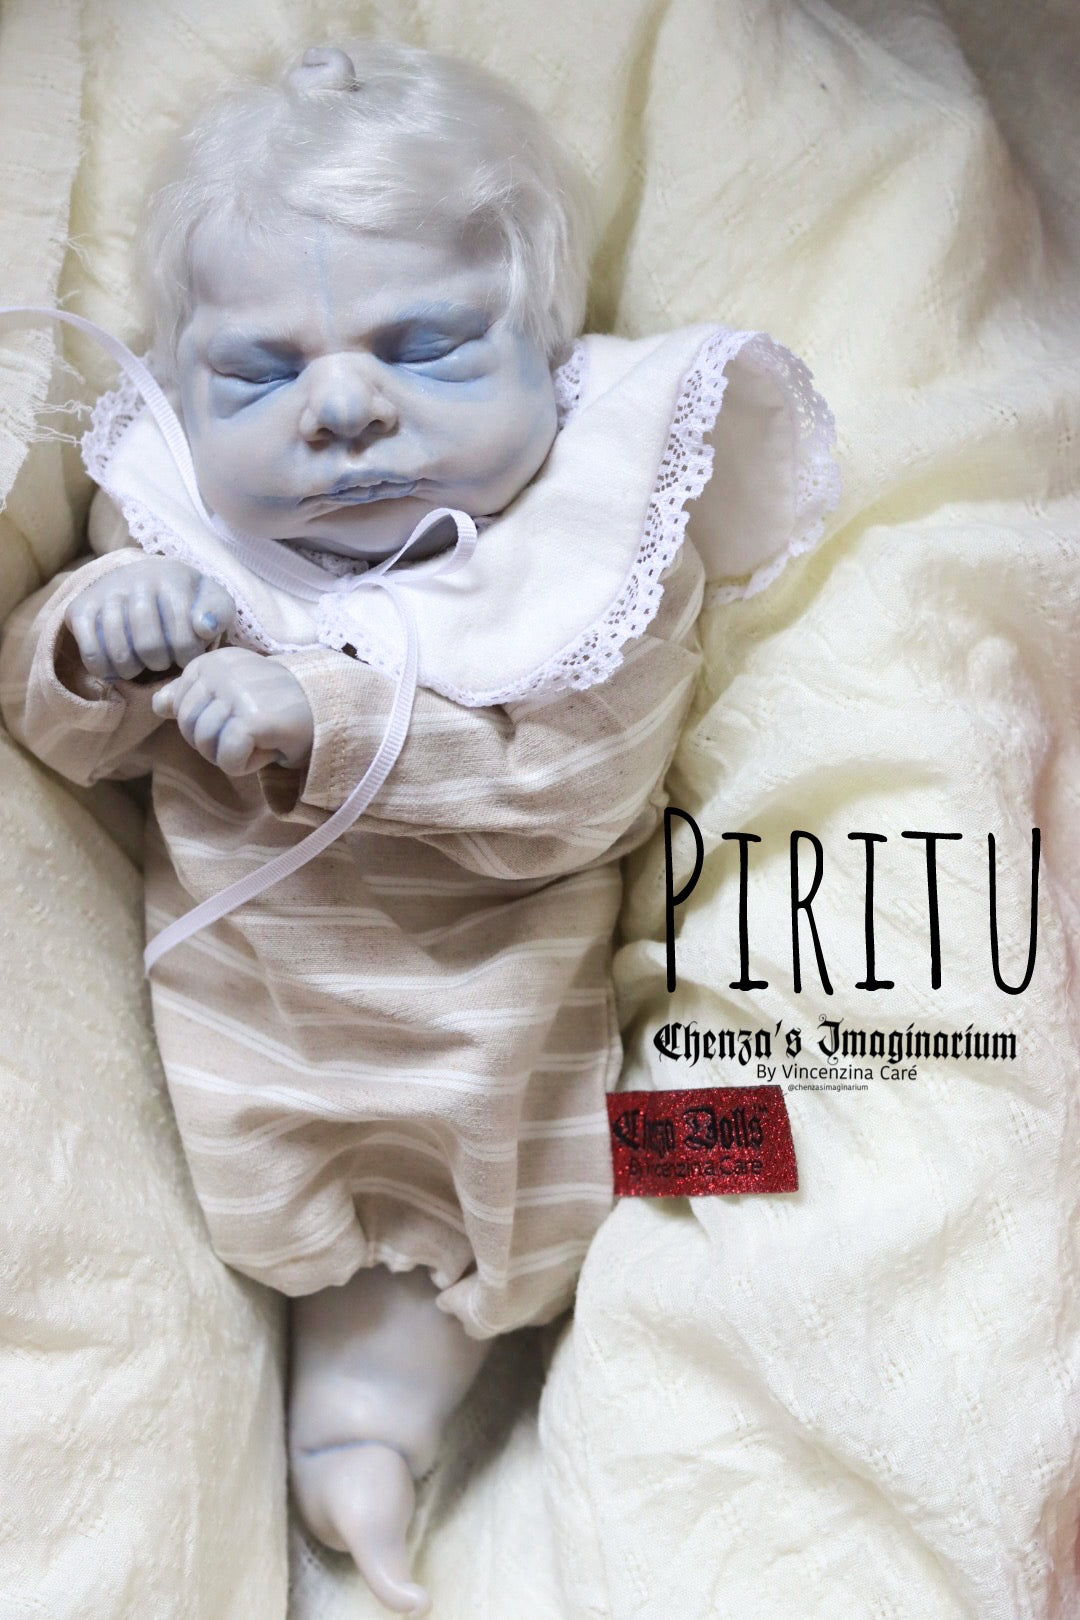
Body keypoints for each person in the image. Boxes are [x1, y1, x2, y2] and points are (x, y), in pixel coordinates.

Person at [0, 38, 838, 1615]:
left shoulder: (591, 552)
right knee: (346, 1317)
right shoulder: (176, 537)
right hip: (253, 1084)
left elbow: (580, 789)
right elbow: (58, 740)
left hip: (520, 1071)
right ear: (183, 390)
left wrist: (325, 724)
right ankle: (356, 1441)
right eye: (258, 375)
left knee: (748, 1159)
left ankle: (751, 1279)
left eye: (429, 349)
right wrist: (91, 639)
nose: (340, 409)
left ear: (552, 357)